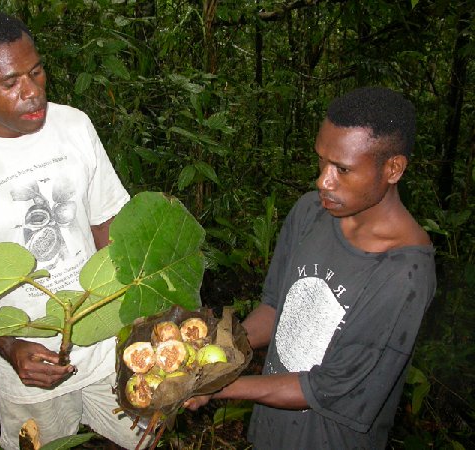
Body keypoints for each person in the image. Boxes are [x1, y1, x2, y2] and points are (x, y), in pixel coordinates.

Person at [0, 11, 146, 450]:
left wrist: (136, 315)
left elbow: (107, 222)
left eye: (37, 71)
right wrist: (10, 346)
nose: (33, 92)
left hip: (107, 348)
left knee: (144, 438)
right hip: (31, 377)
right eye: (10, 83)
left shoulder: (74, 126)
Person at [185, 86, 436, 448]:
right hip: (271, 433)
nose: (323, 180)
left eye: (343, 169)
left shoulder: (404, 274)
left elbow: (327, 388)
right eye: (322, 160)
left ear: (393, 168)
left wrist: (216, 384)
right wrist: (213, 353)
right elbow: (274, 309)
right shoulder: (310, 212)